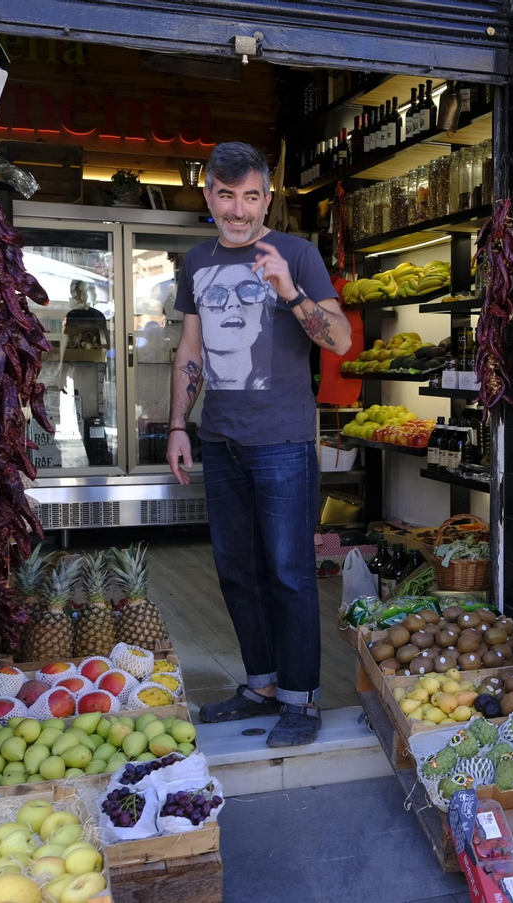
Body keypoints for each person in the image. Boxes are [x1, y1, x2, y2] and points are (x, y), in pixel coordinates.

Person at [166, 142, 353, 748]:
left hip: (283, 443)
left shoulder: (296, 253)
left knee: (291, 574)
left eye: (251, 196)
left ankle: (302, 700)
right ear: (208, 196)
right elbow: (190, 351)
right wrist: (177, 426)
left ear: (267, 196)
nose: (238, 209)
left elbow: (342, 341)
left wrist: (290, 291)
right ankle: (262, 684)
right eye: (226, 196)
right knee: (236, 571)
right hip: (220, 440)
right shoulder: (197, 261)